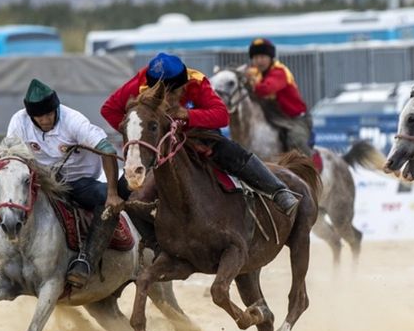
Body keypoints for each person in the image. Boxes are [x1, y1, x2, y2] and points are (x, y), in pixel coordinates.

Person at [101, 52, 300, 216]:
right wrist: (137, 135)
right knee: (123, 189)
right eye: (162, 93)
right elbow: (109, 110)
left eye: (172, 93)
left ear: (183, 85)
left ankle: (278, 190)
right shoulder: (140, 81)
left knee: (229, 151)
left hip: (197, 135)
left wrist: (188, 115)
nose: (168, 99)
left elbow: (222, 116)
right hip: (159, 142)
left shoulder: (197, 80)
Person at [0, 79, 123, 288]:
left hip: (79, 182)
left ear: (56, 108)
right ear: (30, 115)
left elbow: (107, 150)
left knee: (103, 198)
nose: (45, 119)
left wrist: (113, 192)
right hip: (39, 183)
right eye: (39, 116)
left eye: (49, 114)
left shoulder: (74, 121)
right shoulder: (19, 121)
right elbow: (9, 155)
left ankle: (86, 261)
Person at [245, 38, 314, 156]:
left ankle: (310, 169)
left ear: (270, 58)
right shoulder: (253, 73)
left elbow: (266, 89)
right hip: (273, 118)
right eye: (256, 58)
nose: (259, 61)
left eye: (262, 57)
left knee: (295, 140)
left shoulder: (280, 72)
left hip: (295, 119)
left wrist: (247, 83)